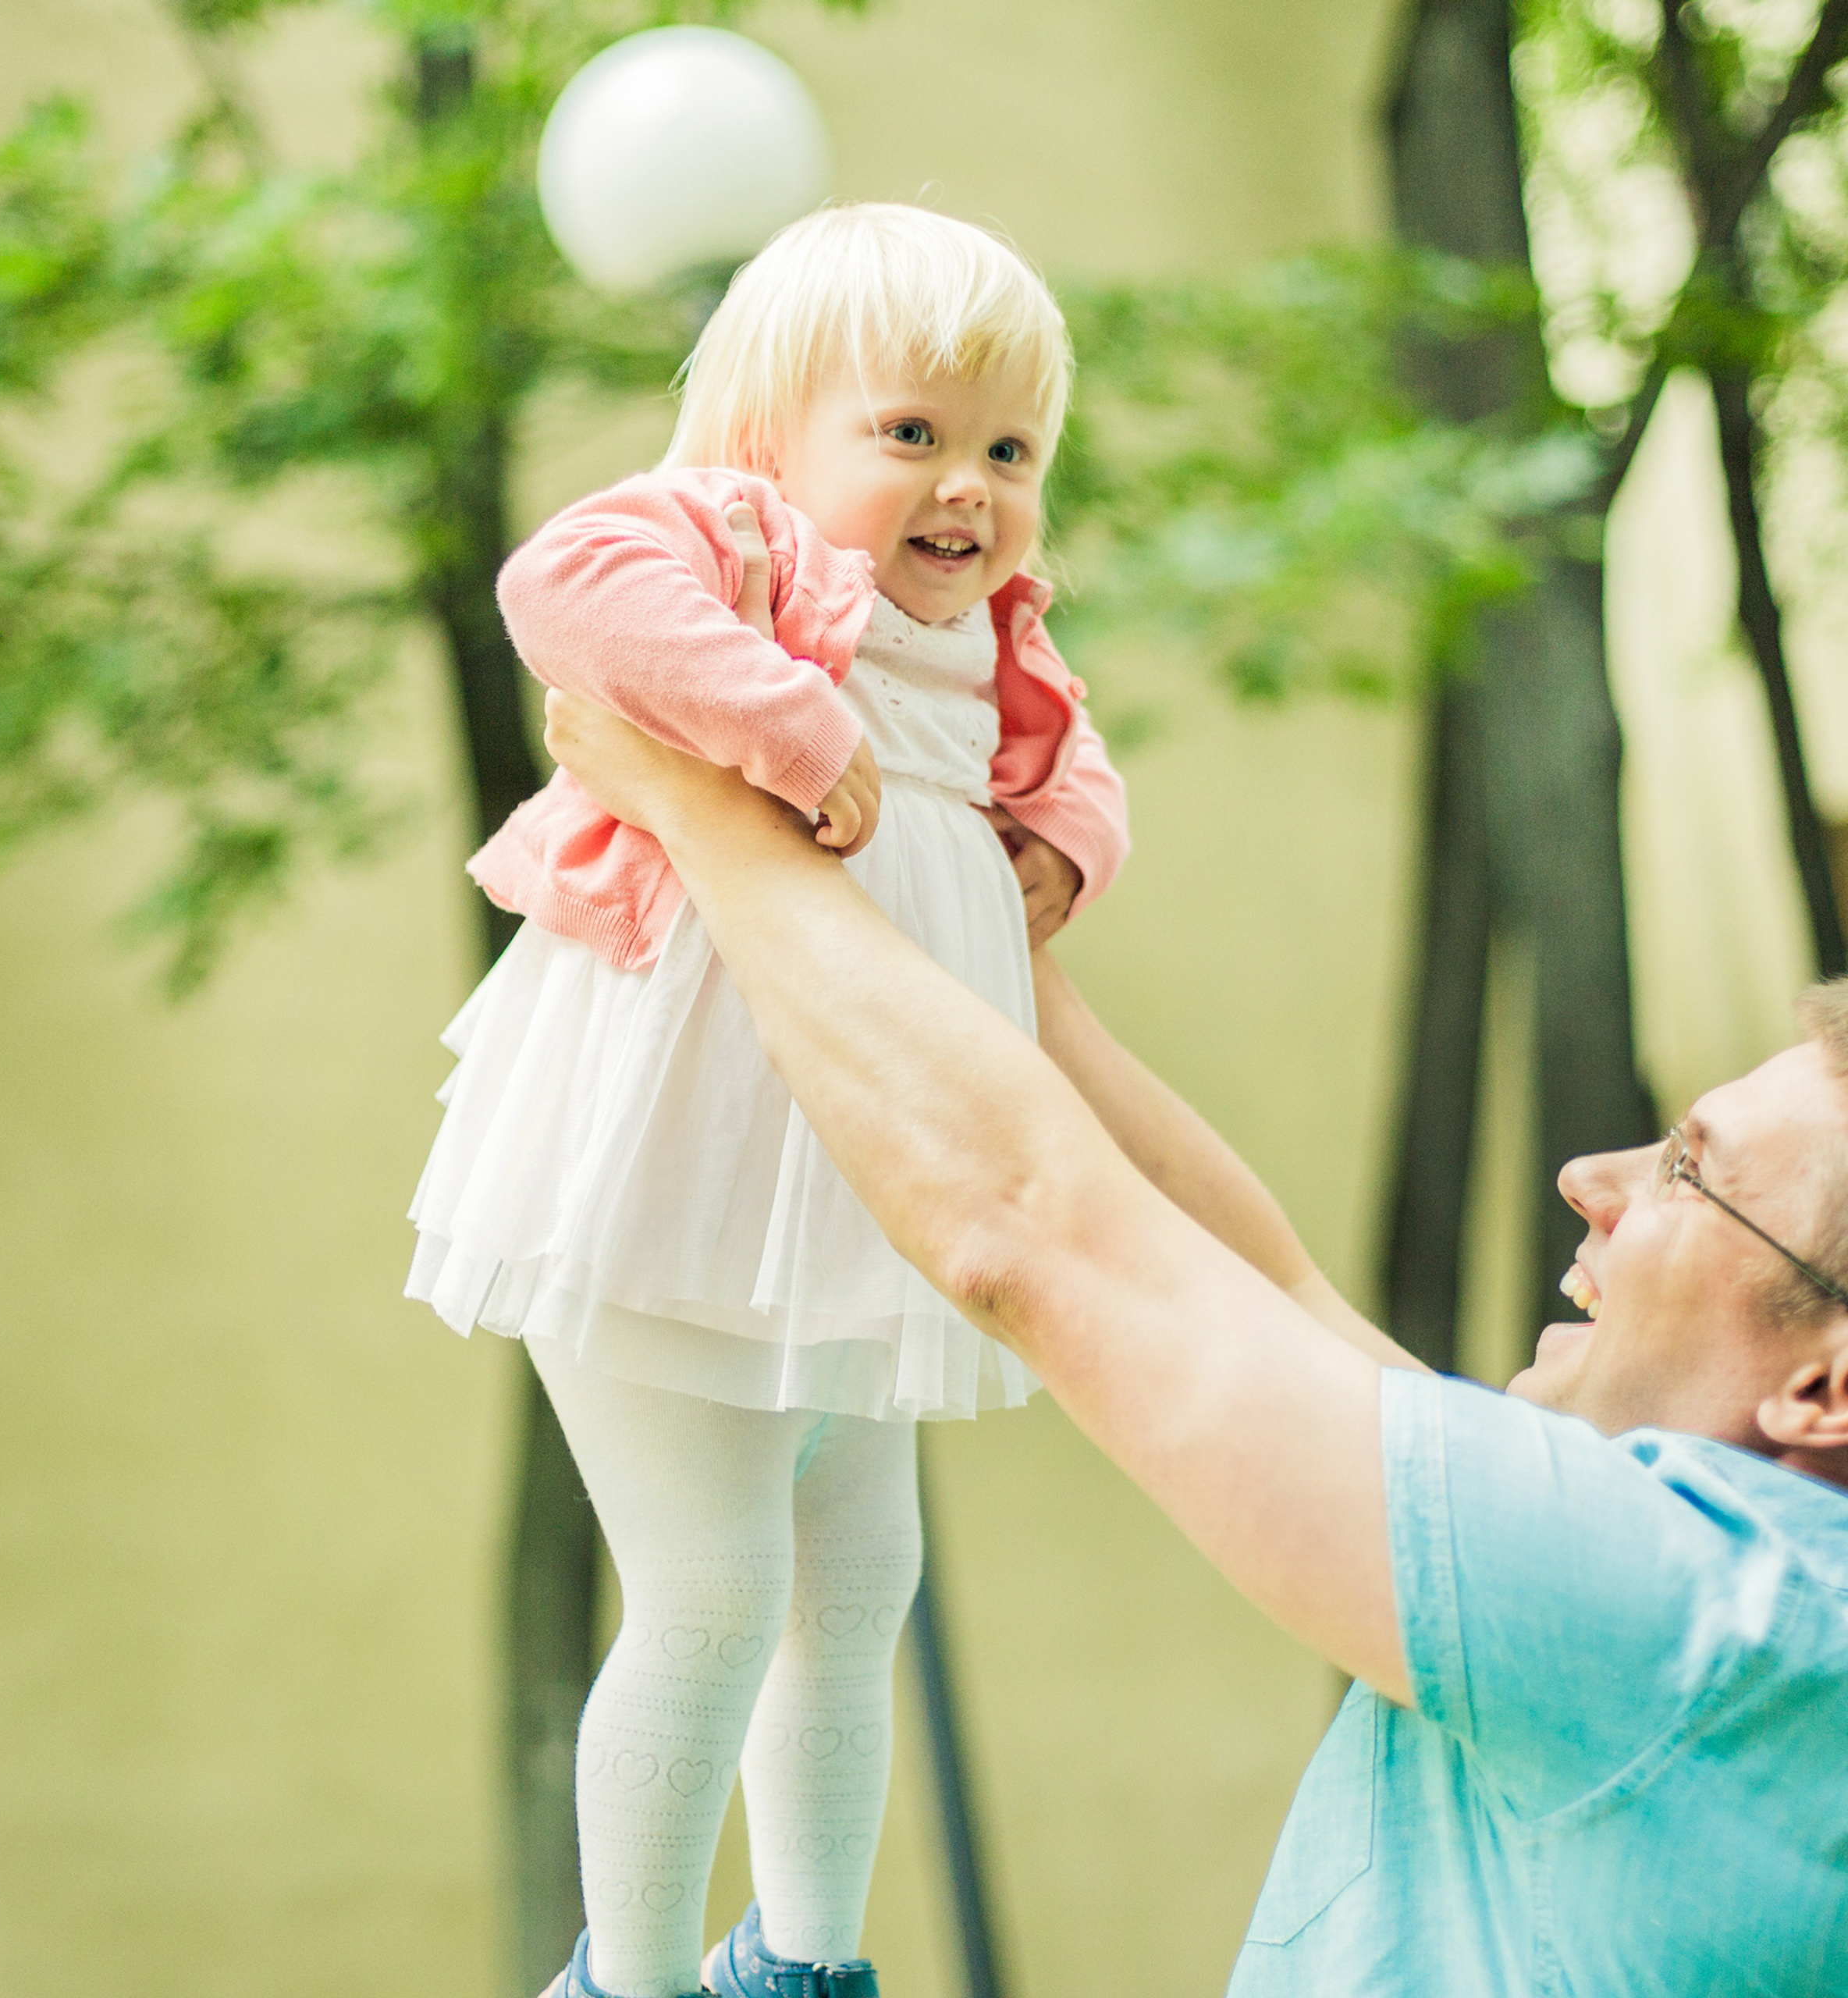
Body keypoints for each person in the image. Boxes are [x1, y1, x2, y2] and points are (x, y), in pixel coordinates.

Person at [540, 685, 1848, 1996]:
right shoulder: (1750, 1629)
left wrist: (696, 807)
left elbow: (1030, 1230)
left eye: (1689, 1169)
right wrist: (965, 898)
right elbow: (1260, 1279)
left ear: (1826, 1385)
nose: (1589, 1175)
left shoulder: (1692, 1616)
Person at [404, 205, 1129, 1998]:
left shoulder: (998, 630)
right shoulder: (734, 544)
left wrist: (1063, 845)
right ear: (767, 437)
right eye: (911, 433)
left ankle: (802, 1961)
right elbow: (556, 587)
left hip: (864, 1180)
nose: (966, 486)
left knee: (853, 1581)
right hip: (675, 1157)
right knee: (710, 1592)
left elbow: (1067, 752)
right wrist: (788, 728)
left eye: (1007, 448)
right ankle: (630, 1980)